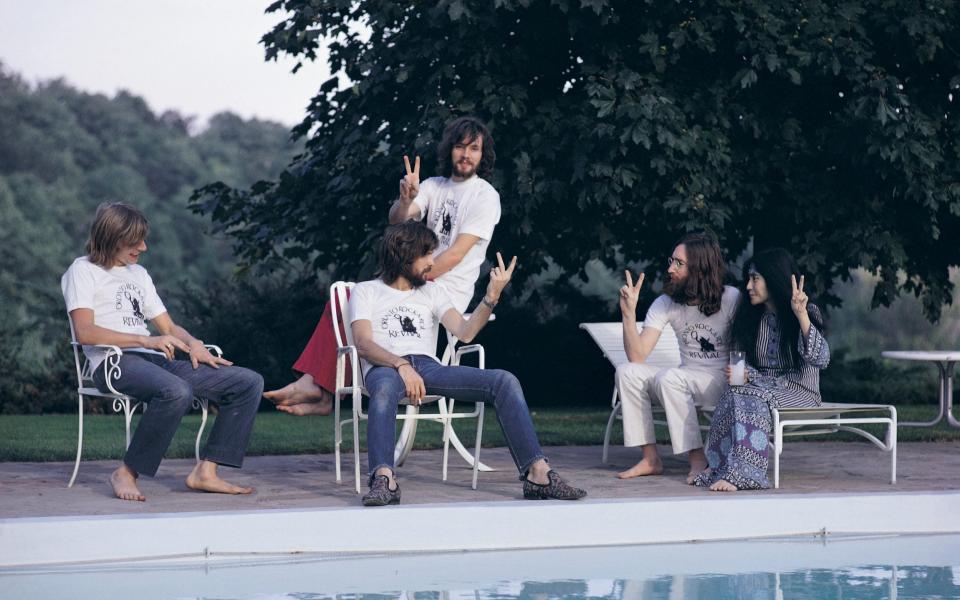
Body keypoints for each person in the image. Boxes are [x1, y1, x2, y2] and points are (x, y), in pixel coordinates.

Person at [265, 116, 501, 416]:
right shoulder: (433, 185)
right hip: (417, 280)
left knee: (355, 302)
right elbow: (397, 220)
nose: (466, 154)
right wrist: (406, 199)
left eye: (474, 148)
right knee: (343, 301)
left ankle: (320, 388)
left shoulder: (485, 196)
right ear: (449, 150)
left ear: (483, 155)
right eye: (459, 146)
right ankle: (319, 387)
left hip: (442, 288)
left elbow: (455, 256)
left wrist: (404, 277)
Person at [351, 221, 586, 506]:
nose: (431, 262)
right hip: (384, 367)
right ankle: (384, 480)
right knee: (385, 390)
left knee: (504, 380)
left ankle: (538, 474)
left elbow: (465, 332)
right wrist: (401, 365)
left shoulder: (432, 292)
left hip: (428, 367)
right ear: (404, 255)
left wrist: (491, 296)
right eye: (425, 254)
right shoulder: (366, 291)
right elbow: (363, 344)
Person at [61, 202, 263, 502]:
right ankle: (126, 473)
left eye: (143, 239)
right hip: (112, 362)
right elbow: (85, 332)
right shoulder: (83, 270)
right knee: (176, 390)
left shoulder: (138, 274)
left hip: (155, 362)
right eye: (135, 241)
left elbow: (168, 327)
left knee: (247, 382)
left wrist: (194, 344)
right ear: (111, 237)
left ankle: (205, 472)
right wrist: (145, 341)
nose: (143, 247)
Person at [694, 248, 829, 491]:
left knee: (751, 396)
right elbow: (739, 362)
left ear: (774, 278)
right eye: (748, 278)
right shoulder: (749, 317)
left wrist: (801, 316)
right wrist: (744, 374)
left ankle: (747, 474)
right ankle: (718, 468)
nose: (748, 285)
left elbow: (821, 359)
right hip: (760, 390)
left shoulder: (806, 313)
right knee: (733, 394)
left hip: (800, 392)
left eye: (755, 278)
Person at [615, 232, 740, 482]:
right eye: (671, 261)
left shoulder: (731, 298)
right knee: (627, 371)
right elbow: (638, 356)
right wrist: (629, 314)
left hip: (720, 380)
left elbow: (745, 346)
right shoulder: (666, 303)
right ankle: (651, 459)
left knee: (670, 377)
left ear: (700, 268)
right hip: (686, 376)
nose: (670, 268)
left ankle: (698, 461)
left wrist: (741, 378)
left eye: (679, 263)